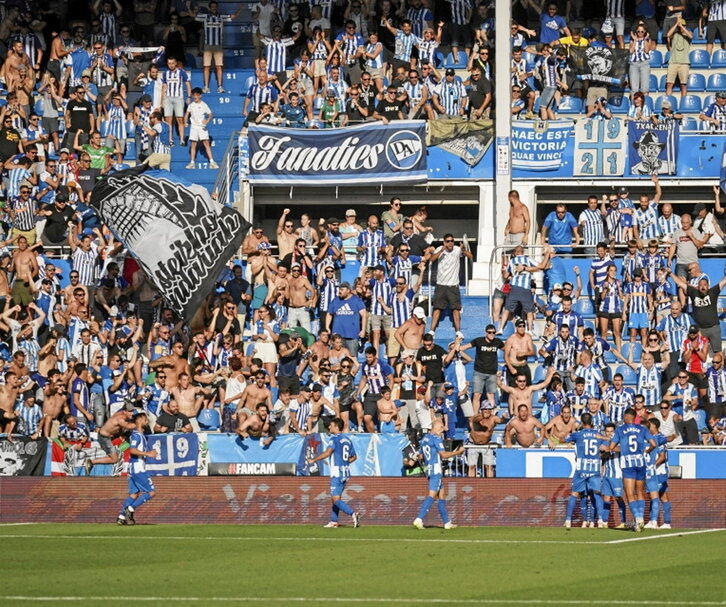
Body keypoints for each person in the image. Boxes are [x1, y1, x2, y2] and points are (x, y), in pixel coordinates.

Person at [607, 407, 656, 532]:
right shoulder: (642, 428)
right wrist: (646, 451)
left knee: (629, 493)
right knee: (640, 492)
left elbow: (611, 447)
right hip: (640, 462)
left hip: (628, 463)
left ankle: (638, 518)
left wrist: (620, 449)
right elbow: (653, 444)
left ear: (626, 417)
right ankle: (641, 521)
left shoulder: (620, 429)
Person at [307, 417, 360, 528]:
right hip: (345, 473)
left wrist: (314, 459)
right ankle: (334, 521)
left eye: (331, 425)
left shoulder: (334, 439)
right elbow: (354, 457)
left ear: (336, 426)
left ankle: (352, 513)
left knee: (335, 499)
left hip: (337, 473)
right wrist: (344, 463)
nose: (329, 427)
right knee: (336, 499)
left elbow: (328, 452)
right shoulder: (347, 440)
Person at [412, 419, 464, 530]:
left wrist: (416, 455)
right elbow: (444, 455)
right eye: (441, 429)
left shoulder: (425, 438)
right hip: (436, 469)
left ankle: (447, 522)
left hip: (429, 469)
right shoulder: (436, 439)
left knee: (441, 495)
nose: (442, 432)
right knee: (431, 495)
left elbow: (420, 456)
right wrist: (458, 452)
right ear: (437, 428)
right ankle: (419, 519)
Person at [563, 412, 606, 529]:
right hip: (595, 469)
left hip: (582, 469)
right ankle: (601, 521)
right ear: (592, 422)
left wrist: (575, 431)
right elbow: (606, 447)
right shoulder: (598, 434)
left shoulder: (578, 434)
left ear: (582, 422)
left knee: (574, 494)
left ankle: (568, 520)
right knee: (597, 494)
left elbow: (565, 438)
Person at [116, 411, 158, 525]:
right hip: (137, 467)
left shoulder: (140, 435)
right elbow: (132, 450)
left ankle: (121, 516)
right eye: (145, 419)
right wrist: (148, 454)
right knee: (151, 492)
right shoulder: (136, 435)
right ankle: (130, 508)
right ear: (139, 420)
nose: (147, 421)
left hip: (134, 467)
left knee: (134, 494)